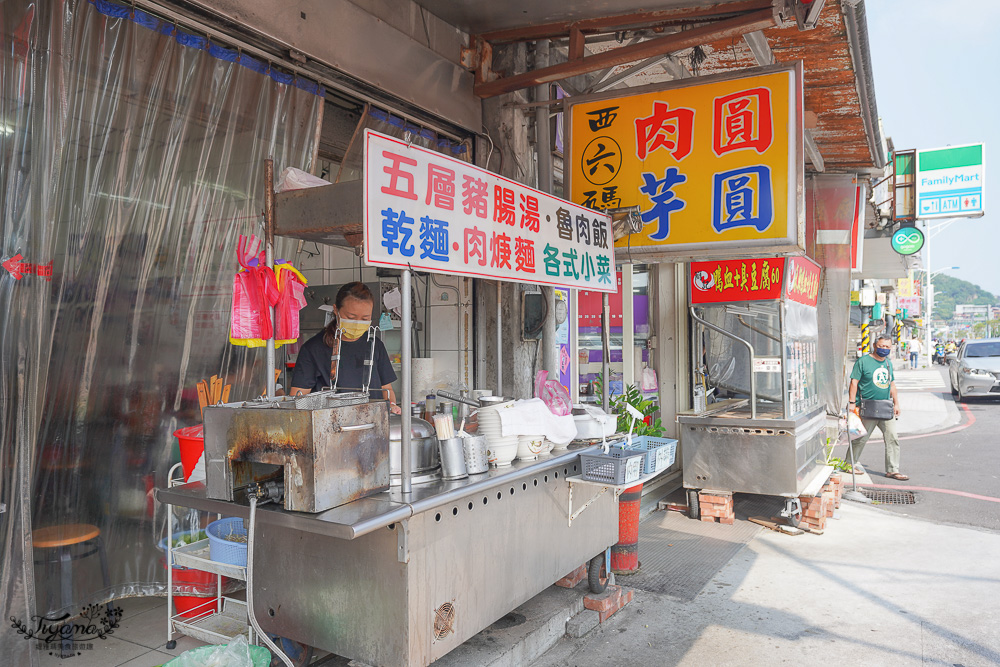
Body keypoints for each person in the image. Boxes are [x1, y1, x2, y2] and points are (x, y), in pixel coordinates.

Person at [289, 281, 402, 414]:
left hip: (372, 424)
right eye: (351, 317)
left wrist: (392, 405)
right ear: (336, 310)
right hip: (331, 427)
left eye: (365, 319)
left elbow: (387, 389)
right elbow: (297, 398)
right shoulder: (313, 349)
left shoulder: (374, 345)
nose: (358, 323)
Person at [848, 335, 907, 480]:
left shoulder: (888, 363)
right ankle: (849, 464)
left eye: (887, 347)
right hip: (868, 407)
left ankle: (892, 470)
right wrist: (851, 403)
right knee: (861, 437)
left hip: (885, 407)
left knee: (892, 437)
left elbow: (891, 384)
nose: (884, 349)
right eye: (881, 346)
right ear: (875, 345)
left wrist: (896, 403)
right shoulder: (863, 361)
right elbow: (854, 382)